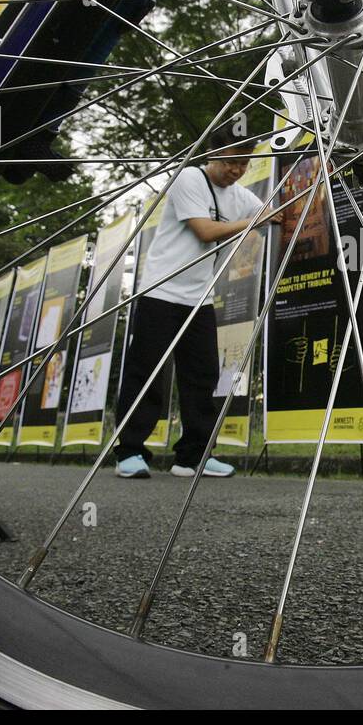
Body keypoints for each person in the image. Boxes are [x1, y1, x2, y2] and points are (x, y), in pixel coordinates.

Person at [114, 124, 276, 479]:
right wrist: (254, 223)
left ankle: (192, 457)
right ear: (213, 155)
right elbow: (204, 231)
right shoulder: (189, 177)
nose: (236, 171)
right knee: (148, 374)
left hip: (199, 299)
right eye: (231, 162)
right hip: (160, 292)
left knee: (202, 376)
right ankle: (130, 452)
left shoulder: (239, 197)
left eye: (244, 165)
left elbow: (272, 214)